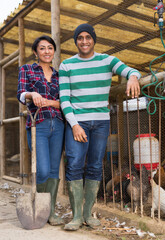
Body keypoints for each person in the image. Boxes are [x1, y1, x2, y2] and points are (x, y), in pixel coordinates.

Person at [59, 24, 141, 231]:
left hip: (101, 122)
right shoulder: (66, 65)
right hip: (77, 122)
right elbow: (64, 99)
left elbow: (131, 70)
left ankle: (88, 214)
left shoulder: (107, 60)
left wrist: (132, 77)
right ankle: (77, 216)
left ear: (94, 39)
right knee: (75, 163)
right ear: (76, 41)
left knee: (96, 165)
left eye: (88, 37)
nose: (84, 41)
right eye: (80, 38)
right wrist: (75, 125)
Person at [17, 35, 65, 226]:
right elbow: (21, 94)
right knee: (43, 169)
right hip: (39, 124)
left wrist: (50, 102)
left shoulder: (60, 75)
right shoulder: (27, 69)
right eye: (42, 48)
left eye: (50, 48)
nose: (46, 51)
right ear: (36, 52)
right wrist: (32, 94)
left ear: (54, 51)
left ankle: (50, 212)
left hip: (59, 124)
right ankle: (37, 203)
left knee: (54, 169)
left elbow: (65, 101)